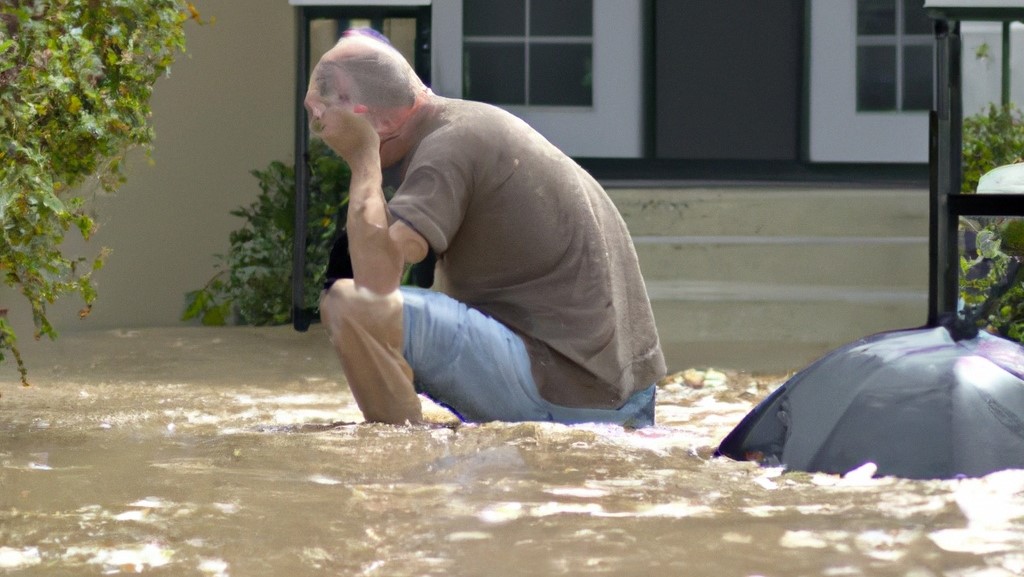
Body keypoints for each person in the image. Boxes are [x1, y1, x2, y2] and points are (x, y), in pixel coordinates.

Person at [307, 29, 666, 427]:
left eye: (328, 128)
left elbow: (374, 283)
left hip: (567, 395)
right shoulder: (468, 125)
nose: (330, 141)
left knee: (350, 306)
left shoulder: (446, 148)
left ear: (382, 120)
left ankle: (400, 451)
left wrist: (363, 158)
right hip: (622, 398)